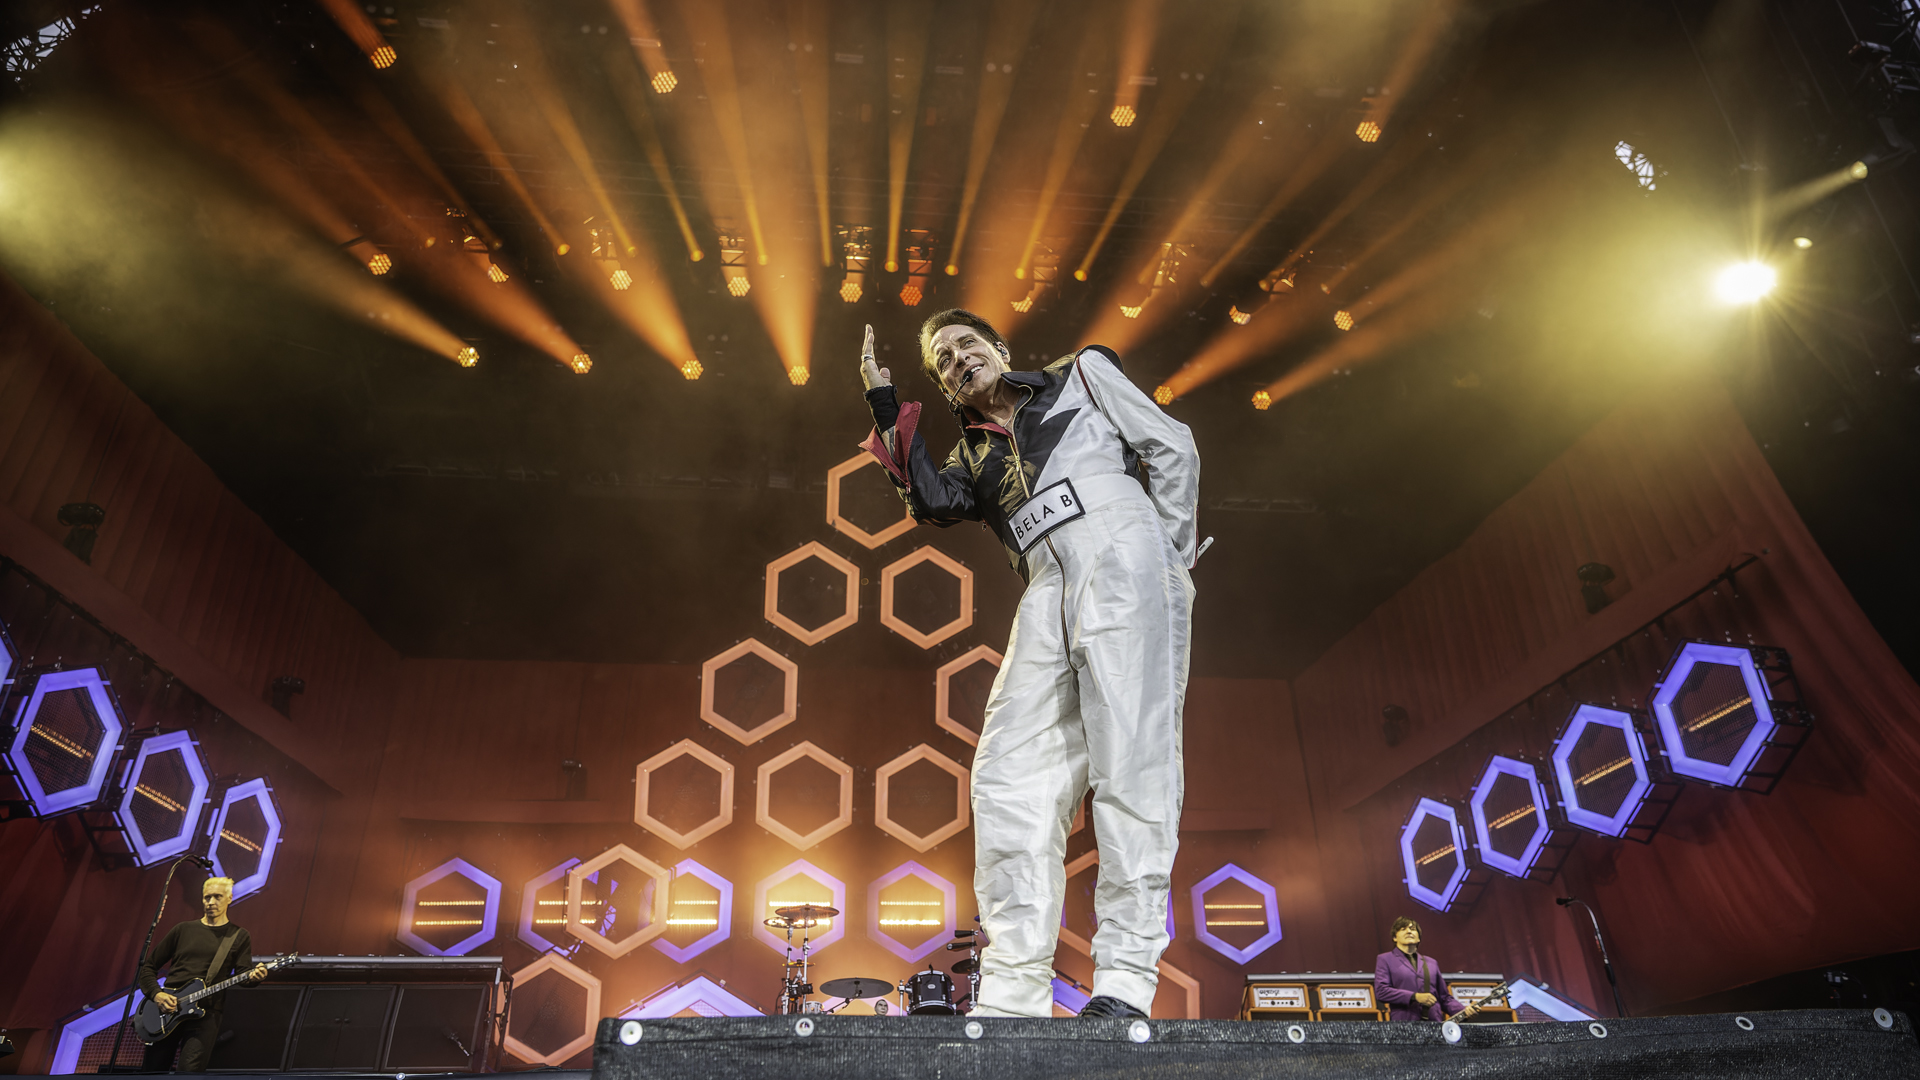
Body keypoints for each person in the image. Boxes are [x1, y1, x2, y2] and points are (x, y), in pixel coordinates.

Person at [857, 311, 1200, 1019]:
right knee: (1009, 773)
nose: (956, 361)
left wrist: (1167, 559)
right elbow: (926, 498)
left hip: (1125, 547)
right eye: (942, 360)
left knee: (1131, 763)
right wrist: (884, 401)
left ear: (999, 348)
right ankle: (1014, 990)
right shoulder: (972, 458)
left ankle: (1126, 981)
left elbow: (1172, 448)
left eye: (966, 346)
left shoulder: (1081, 372)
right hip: (1046, 582)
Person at [138, 876, 270, 1072]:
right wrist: (158, 995)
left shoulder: (238, 935)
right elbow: (148, 968)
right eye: (207, 897)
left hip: (206, 1014)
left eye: (217, 897)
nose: (211, 902)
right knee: (153, 1070)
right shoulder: (183, 929)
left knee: (190, 1072)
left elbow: (244, 975)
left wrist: (256, 977)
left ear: (230, 898)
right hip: (167, 1010)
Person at [1374, 916, 1463, 1022]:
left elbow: (1444, 998)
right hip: (1404, 1025)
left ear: (1418, 938)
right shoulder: (1385, 959)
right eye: (1403, 929)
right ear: (1394, 937)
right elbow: (1382, 991)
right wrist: (1414, 997)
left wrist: (1463, 1011)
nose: (1408, 931)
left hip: (1434, 1023)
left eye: (1412, 929)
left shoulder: (1432, 962)